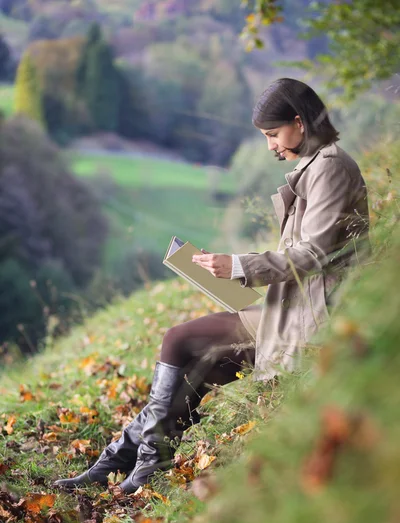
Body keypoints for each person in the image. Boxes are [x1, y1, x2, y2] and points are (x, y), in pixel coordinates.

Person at [54, 78, 369, 494]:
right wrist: (234, 269)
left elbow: (312, 255)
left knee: (182, 342)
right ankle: (127, 463)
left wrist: (237, 265)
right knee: (197, 362)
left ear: (299, 122)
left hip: (314, 318)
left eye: (274, 135)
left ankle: (133, 466)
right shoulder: (317, 166)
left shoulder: (329, 167)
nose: (272, 146)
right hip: (293, 310)